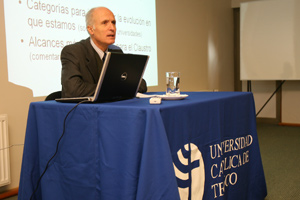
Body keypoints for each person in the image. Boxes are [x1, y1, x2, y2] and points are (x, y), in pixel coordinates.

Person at [60, 7, 147, 98]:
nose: (112, 28)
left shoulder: (116, 52)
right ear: (91, 29)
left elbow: (141, 84)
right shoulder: (73, 52)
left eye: (113, 23)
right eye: (105, 23)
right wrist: (117, 89)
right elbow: (73, 90)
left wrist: (114, 89)